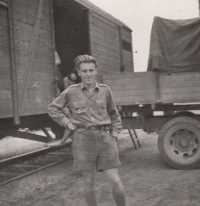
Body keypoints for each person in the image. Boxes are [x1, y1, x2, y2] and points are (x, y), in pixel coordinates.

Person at [48, 55, 126, 206]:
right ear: (78, 72)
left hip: (105, 140)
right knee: (89, 182)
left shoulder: (105, 90)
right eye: (84, 71)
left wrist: (114, 135)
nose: (88, 74)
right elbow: (52, 108)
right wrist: (68, 124)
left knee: (115, 181)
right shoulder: (71, 92)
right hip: (83, 141)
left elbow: (115, 115)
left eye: (91, 70)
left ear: (96, 71)